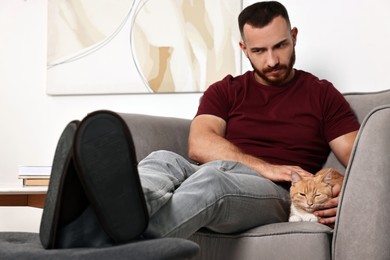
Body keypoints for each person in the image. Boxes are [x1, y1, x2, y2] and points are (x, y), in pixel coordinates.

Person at [40, 1, 360, 249]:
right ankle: (106, 216)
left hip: (275, 194)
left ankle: (87, 239)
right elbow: (200, 144)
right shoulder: (227, 90)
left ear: (294, 37)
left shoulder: (321, 95)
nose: (272, 60)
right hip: (231, 171)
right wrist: (265, 166)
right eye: (259, 51)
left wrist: (345, 187)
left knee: (213, 179)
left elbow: (363, 159)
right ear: (243, 49)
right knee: (163, 159)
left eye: (280, 46)